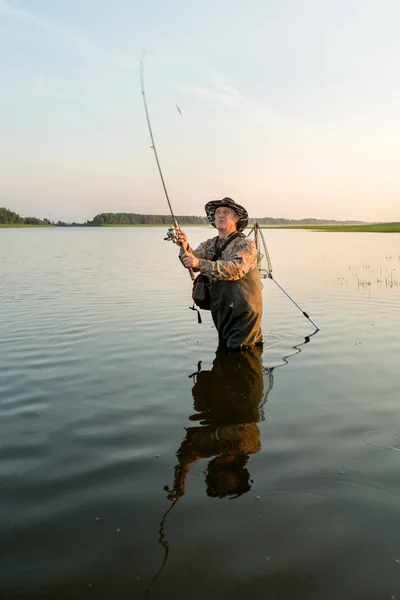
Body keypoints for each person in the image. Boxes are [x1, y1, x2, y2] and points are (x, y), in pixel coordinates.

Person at [165, 344, 265, 500]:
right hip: (242, 380)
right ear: (238, 477)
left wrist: (182, 475)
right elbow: (209, 442)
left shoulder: (234, 448)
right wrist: (182, 472)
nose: (221, 481)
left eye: (216, 481)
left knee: (230, 346)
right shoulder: (250, 445)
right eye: (227, 485)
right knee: (236, 345)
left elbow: (193, 446)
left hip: (228, 383)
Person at [177, 197, 263, 349]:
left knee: (239, 352)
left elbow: (233, 269)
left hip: (243, 312)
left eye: (226, 212)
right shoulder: (210, 244)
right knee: (225, 351)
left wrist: (199, 263)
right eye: (217, 212)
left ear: (236, 219)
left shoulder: (246, 244)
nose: (220, 215)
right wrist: (184, 245)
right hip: (221, 310)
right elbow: (191, 262)